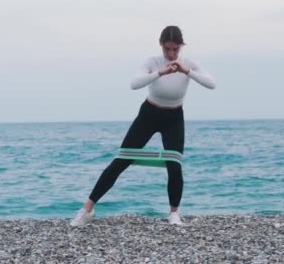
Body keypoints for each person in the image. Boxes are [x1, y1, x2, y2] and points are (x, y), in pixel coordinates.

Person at [70, 25, 216, 226]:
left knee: (174, 164)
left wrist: (187, 71)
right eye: (167, 49)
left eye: (175, 49)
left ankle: (174, 213)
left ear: (181, 46)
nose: (171, 53)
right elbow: (134, 83)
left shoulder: (187, 63)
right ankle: (87, 209)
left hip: (174, 117)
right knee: (122, 159)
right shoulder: (152, 62)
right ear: (161, 45)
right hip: (149, 114)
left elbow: (211, 83)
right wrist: (160, 72)